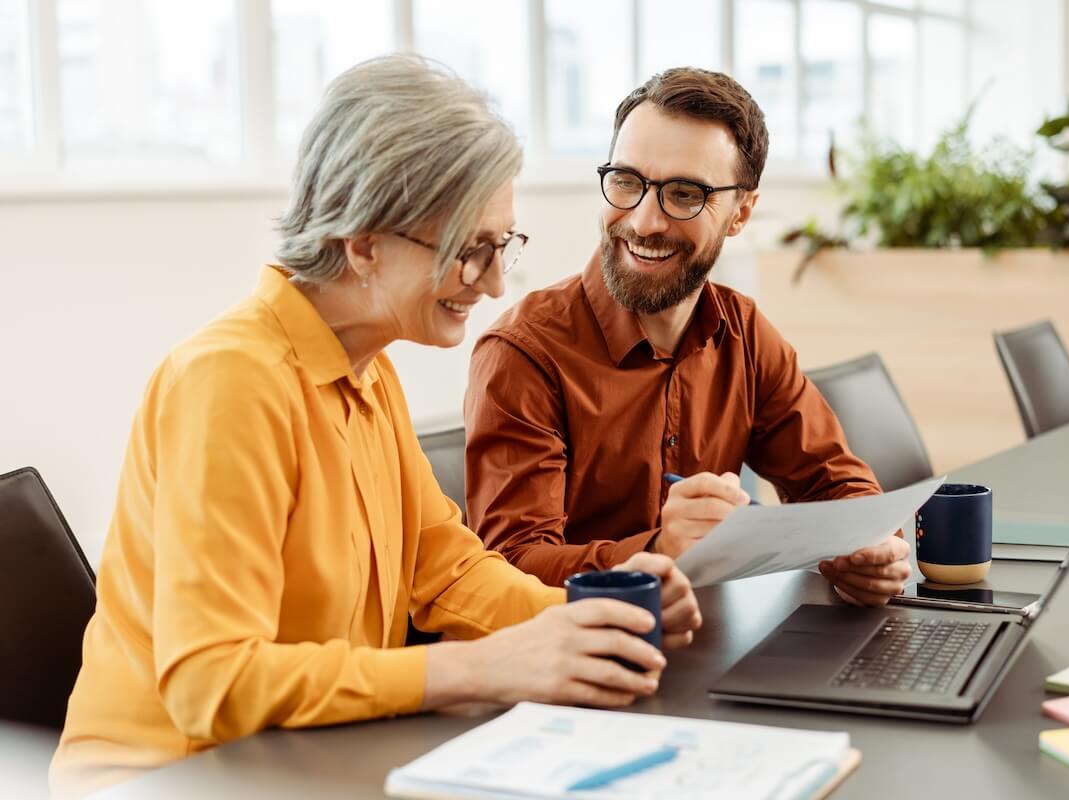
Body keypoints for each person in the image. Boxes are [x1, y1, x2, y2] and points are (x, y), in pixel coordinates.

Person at [50, 55, 701, 797]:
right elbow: (212, 683)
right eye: (468, 250)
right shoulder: (229, 382)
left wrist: (593, 617)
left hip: (309, 762)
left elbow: (446, 572)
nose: (491, 283)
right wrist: (476, 668)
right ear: (362, 243)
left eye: (502, 246)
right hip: (176, 779)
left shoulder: (366, 368)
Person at [465, 67, 910, 606]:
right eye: (627, 182)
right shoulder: (523, 354)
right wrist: (658, 552)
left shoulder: (743, 333)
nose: (646, 220)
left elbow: (833, 483)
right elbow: (510, 568)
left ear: (740, 212)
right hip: (573, 666)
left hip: (709, 647)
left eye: (685, 193)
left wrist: (867, 550)